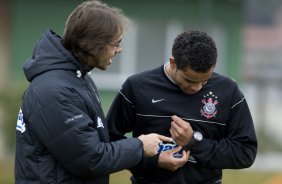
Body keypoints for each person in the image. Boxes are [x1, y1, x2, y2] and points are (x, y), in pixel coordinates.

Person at [14, 1, 172, 184]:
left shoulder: (78, 78)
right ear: (94, 44)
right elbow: (90, 159)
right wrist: (140, 146)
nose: (120, 50)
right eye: (116, 43)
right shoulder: (54, 91)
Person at [107, 30, 258, 184]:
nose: (197, 88)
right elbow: (110, 142)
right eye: (189, 80)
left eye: (205, 80)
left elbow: (245, 153)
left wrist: (194, 142)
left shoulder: (228, 91)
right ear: (173, 63)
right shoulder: (137, 87)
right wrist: (154, 162)